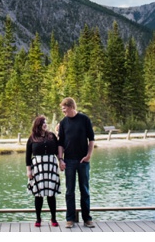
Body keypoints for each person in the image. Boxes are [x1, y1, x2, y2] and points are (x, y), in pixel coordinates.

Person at [57, 97, 95, 228]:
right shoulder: (63, 123)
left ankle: (87, 219)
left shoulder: (84, 119)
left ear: (71, 106)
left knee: (84, 190)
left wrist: (89, 155)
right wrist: (60, 159)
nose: (63, 111)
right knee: (69, 191)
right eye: (62, 109)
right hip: (69, 161)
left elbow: (91, 139)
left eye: (64, 108)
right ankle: (70, 219)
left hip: (83, 160)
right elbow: (60, 143)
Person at [25, 115, 61, 228]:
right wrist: (29, 171)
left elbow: (58, 150)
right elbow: (27, 156)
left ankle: (53, 218)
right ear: (38, 124)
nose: (45, 124)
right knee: (38, 195)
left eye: (46, 122)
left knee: (51, 194)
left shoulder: (52, 136)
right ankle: (38, 218)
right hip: (38, 168)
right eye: (43, 122)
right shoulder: (32, 138)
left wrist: (61, 161)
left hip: (51, 167)